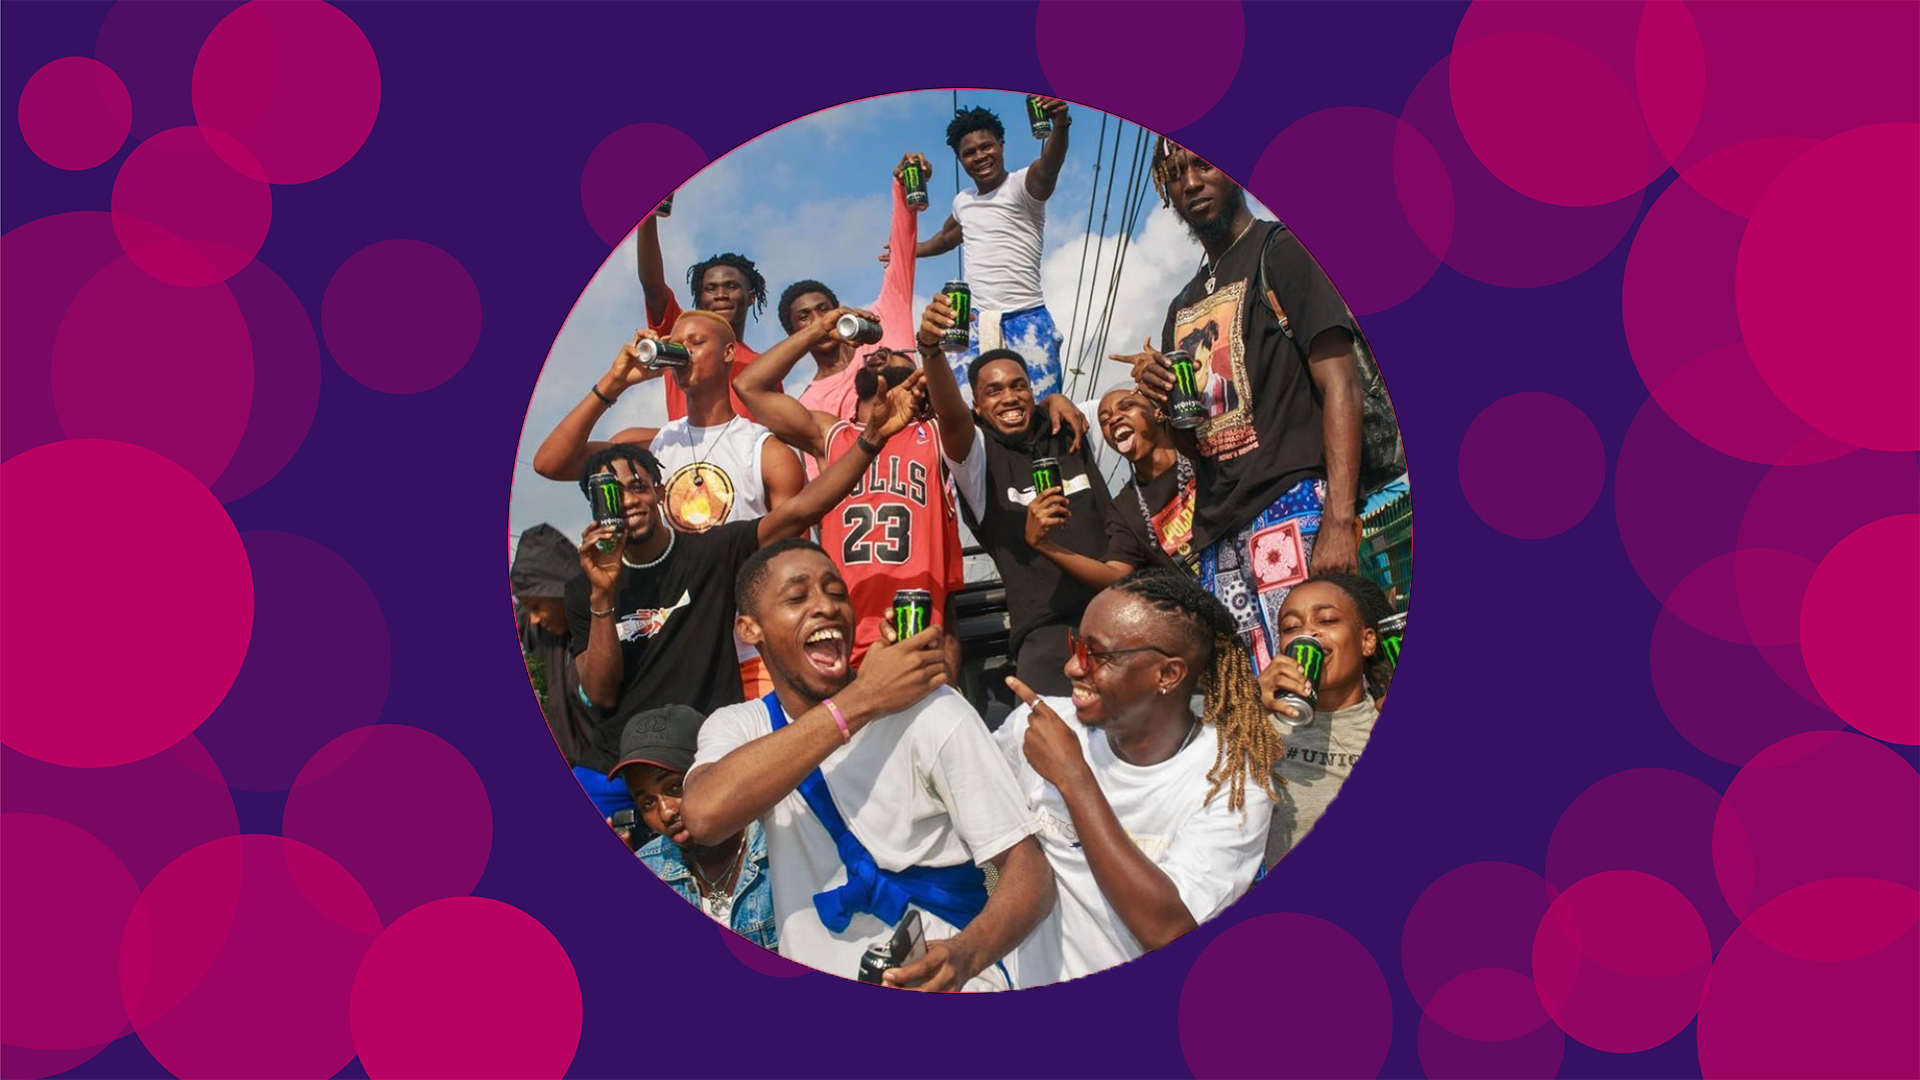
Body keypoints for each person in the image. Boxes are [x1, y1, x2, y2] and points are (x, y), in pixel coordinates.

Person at [680, 539, 1055, 991]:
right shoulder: (742, 725)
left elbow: (1029, 872)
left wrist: (965, 956)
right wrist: (860, 701)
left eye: (836, 592)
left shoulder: (933, 711)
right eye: (797, 597)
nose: (826, 606)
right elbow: (704, 815)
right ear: (749, 628)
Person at [564, 369, 927, 783]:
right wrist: (602, 598)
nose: (628, 501)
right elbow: (600, 692)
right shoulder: (584, 587)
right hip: (618, 766)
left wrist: (872, 439)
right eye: (611, 493)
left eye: (638, 487)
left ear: (660, 492)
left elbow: (801, 510)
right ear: (595, 507)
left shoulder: (710, 552)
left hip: (707, 754)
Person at [1119, 137, 1364, 669]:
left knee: (1316, 684)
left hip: (1293, 503)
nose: (1190, 183)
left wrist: (1340, 518)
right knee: (1256, 697)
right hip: (1217, 529)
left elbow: (1341, 382)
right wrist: (1162, 401)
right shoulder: (1180, 306)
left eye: (1203, 165)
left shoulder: (1282, 250)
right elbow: (1192, 444)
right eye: (1175, 174)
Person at [995, 569, 1281, 985]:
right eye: (1077, 644)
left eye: (1100, 655)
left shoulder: (1232, 779)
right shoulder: (1038, 726)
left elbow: (1168, 930)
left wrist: (1074, 778)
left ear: (1167, 675)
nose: (1073, 666)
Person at [733, 312, 964, 675]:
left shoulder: (934, 434)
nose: (879, 353)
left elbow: (965, 414)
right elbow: (749, 386)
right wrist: (818, 330)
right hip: (838, 639)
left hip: (916, 635)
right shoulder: (834, 436)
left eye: (893, 353)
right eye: (872, 352)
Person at [917, 294, 1121, 697]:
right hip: (1048, 632)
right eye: (992, 392)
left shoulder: (1071, 428)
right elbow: (950, 416)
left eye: (1018, 387)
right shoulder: (977, 458)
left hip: (1122, 611)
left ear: (1033, 391)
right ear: (976, 406)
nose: (1008, 398)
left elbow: (1126, 409)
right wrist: (930, 349)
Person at [902, 102, 1073, 400]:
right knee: (970, 408)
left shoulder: (1022, 186)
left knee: (1044, 409)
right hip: (975, 322)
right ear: (960, 160)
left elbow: (1048, 168)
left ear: (1001, 146)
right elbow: (946, 237)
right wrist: (905, 251)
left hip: (1027, 317)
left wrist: (1060, 125)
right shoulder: (963, 201)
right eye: (969, 153)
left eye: (986, 147)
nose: (979, 156)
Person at [614, 705, 776, 950]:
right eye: (648, 802)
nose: (666, 812)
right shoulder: (649, 870)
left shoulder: (781, 846)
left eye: (675, 787)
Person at [783, 154, 928, 426]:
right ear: (793, 335)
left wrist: (902, 187)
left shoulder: (880, 322)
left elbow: (901, 250)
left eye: (824, 310)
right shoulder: (808, 403)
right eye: (804, 317)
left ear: (841, 313)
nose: (818, 321)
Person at [1256, 572, 1389, 868]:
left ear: (1367, 641)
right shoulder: (1259, 730)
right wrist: (1250, 705)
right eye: (1291, 627)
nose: (1310, 633)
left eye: (1327, 620)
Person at [1026, 387, 1200, 591]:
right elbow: (1116, 575)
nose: (1115, 418)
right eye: (1104, 420)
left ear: (1158, 413)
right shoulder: (1125, 508)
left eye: (1127, 406)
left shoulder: (1199, 452)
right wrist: (1043, 545)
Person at [513, 524, 624, 814]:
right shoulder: (546, 633)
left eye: (537, 605)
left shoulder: (603, 628)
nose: (534, 619)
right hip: (577, 768)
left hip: (613, 771)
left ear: (559, 590)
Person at [636, 209, 766, 421]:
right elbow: (653, 287)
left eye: (731, 286)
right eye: (710, 289)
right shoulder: (680, 340)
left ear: (751, 297)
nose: (721, 295)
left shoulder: (765, 365)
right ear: (699, 298)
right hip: (687, 452)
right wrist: (647, 215)